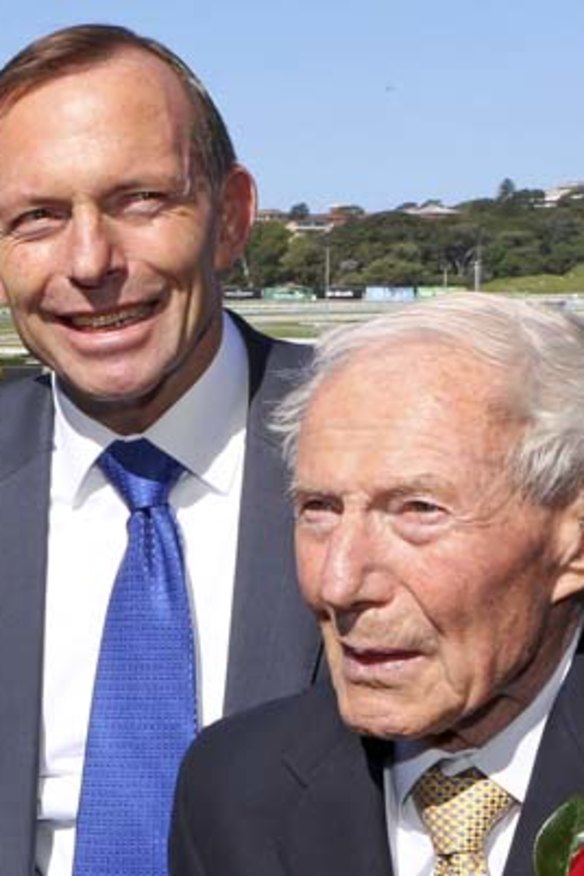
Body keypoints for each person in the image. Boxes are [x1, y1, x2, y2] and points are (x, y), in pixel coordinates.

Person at [0, 23, 322, 876]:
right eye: (35, 218)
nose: (90, 261)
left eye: (139, 200)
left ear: (231, 218)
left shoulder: (378, 446)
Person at [171, 293, 584, 876]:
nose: (337, 584)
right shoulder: (234, 790)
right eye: (319, 509)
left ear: (573, 540)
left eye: (417, 510)